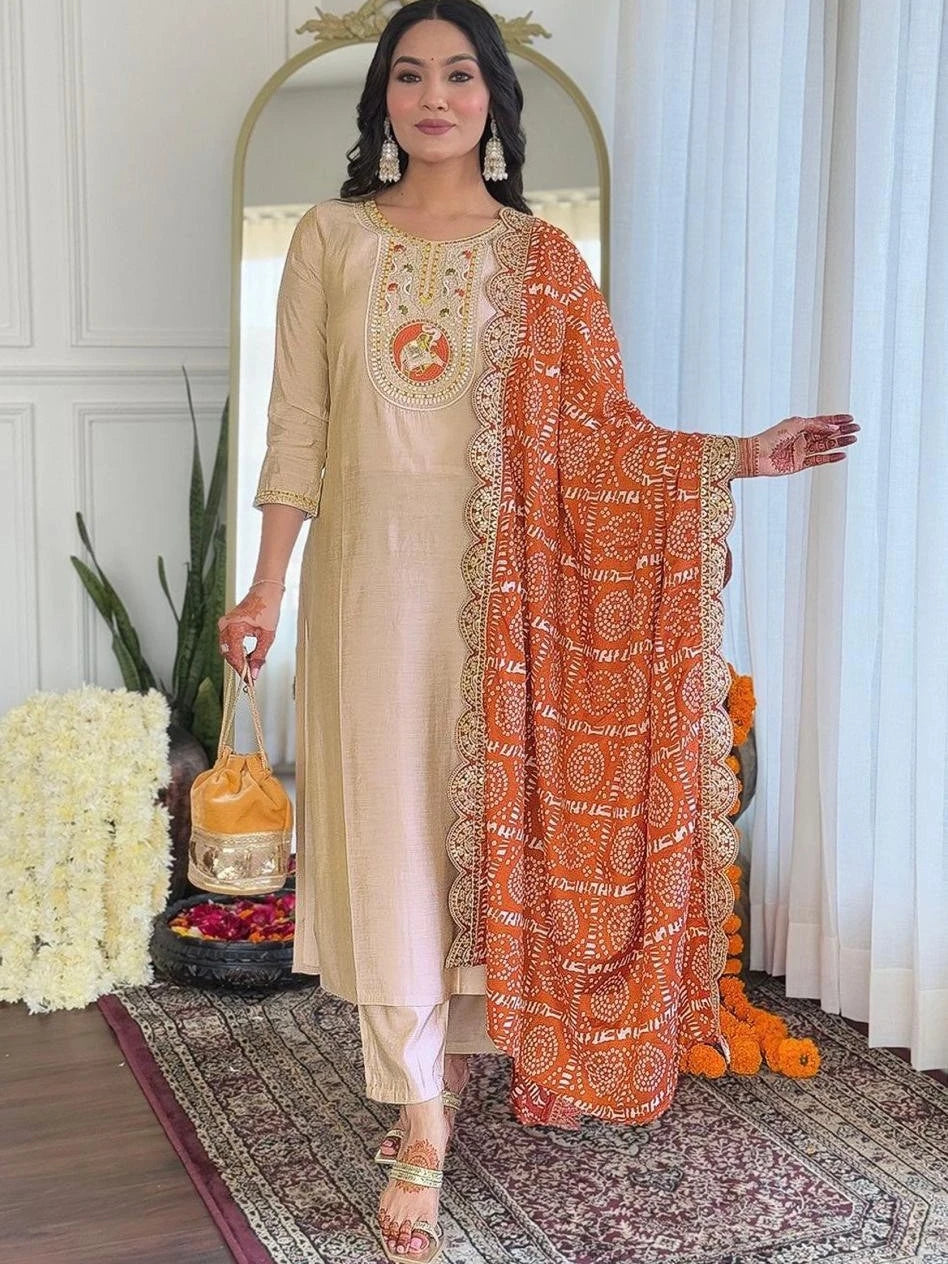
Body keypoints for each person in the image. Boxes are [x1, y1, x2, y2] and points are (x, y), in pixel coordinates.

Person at [218, 1, 859, 1258]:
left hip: (510, 596)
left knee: (492, 820)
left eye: (459, 75)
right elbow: (297, 426)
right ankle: (419, 1116)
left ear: (494, 100)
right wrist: (265, 587)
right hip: (366, 589)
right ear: (383, 99)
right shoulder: (331, 237)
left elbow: (601, 442)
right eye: (411, 75)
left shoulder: (542, 259)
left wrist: (740, 455)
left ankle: (469, 1050)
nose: (434, 97)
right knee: (393, 832)